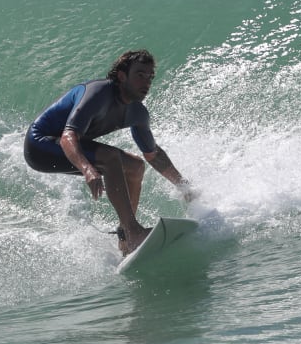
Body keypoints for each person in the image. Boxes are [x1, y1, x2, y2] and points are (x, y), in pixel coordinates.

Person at [24, 49, 194, 255]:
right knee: (111, 158)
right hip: (40, 145)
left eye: (150, 77)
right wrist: (87, 169)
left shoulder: (137, 113)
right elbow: (69, 136)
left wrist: (184, 187)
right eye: (140, 75)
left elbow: (153, 155)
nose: (147, 82)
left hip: (67, 145)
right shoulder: (98, 93)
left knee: (135, 166)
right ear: (122, 76)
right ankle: (134, 232)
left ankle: (126, 238)